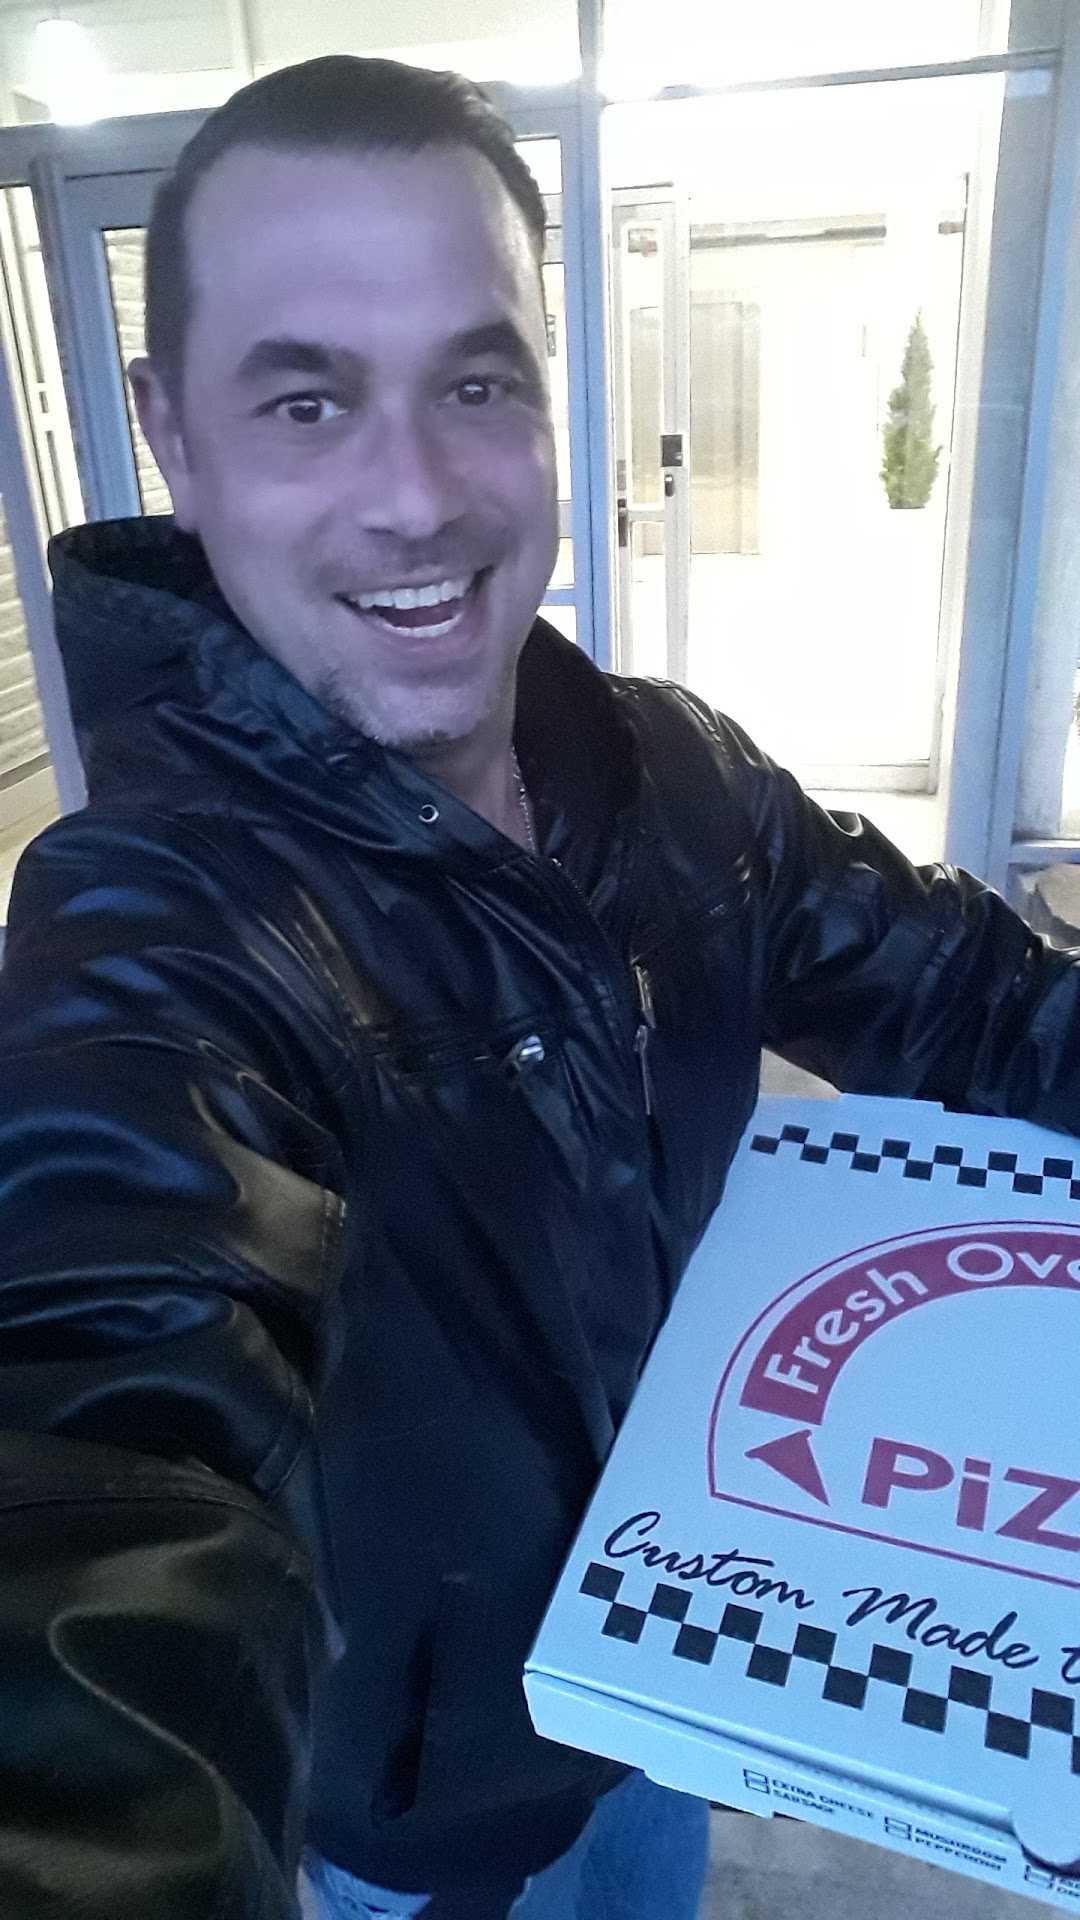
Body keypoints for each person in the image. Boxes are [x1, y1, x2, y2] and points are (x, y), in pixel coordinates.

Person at [0, 51, 1078, 1920]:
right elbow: (103, 1455)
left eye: (475, 382)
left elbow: (982, 1002)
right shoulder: (156, 923)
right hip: (405, 1843)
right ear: (172, 434)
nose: (417, 496)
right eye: (309, 400)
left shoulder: (669, 774)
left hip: (665, 1710)